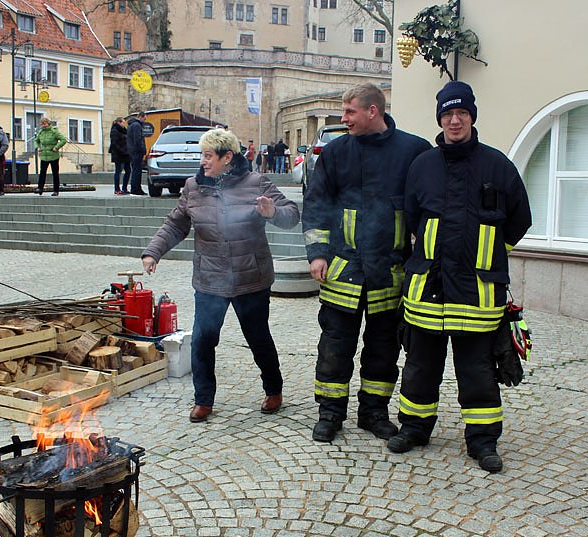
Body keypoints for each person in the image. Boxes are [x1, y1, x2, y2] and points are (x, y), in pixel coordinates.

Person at [387, 81, 532, 474]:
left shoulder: (498, 166)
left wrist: (492, 255)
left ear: (472, 117)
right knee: (420, 367)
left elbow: (520, 220)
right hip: (428, 290)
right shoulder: (423, 166)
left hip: (477, 293)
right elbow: (412, 219)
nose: (455, 120)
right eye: (448, 114)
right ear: (440, 119)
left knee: (478, 372)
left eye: (462, 113)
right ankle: (414, 428)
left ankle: (483, 442)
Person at [141, 128, 299, 423]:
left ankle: (273, 390)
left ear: (227, 157)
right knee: (203, 339)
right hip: (210, 279)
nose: (202, 161)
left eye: (208, 155)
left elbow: (291, 214)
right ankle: (203, 400)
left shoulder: (256, 183)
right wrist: (153, 252)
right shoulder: (193, 187)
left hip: (250, 278)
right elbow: (175, 225)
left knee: (258, 337)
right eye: (201, 155)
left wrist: (272, 212)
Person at [303, 82, 430, 443]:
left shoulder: (413, 151)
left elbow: (425, 207)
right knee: (334, 347)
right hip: (343, 270)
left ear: (372, 111)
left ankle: (373, 413)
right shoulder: (336, 152)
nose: (344, 119)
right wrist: (317, 254)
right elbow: (316, 204)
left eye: (349, 112)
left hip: (389, 272)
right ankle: (330, 413)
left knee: (383, 350)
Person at [33, 116, 67, 196]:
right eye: (42, 124)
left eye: (45, 124)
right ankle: (40, 188)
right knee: (42, 172)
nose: (43, 125)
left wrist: (56, 147)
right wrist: (38, 147)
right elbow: (36, 141)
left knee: (55, 173)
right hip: (44, 156)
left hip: (53, 155)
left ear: (48, 123)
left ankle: (56, 190)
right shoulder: (41, 132)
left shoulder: (54, 131)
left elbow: (63, 140)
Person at [126, 111, 147, 195]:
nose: (144, 121)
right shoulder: (137, 125)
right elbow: (138, 139)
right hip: (137, 152)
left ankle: (136, 188)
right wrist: (142, 149)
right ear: (141, 117)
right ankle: (136, 189)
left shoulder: (131, 125)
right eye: (144, 119)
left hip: (132, 151)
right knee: (137, 171)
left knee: (135, 170)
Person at [110, 117, 132, 195]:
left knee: (128, 171)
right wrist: (122, 150)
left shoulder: (124, 130)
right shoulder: (115, 130)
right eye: (123, 122)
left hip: (126, 154)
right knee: (118, 171)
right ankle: (117, 189)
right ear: (119, 123)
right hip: (118, 154)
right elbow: (114, 143)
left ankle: (124, 188)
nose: (124, 124)